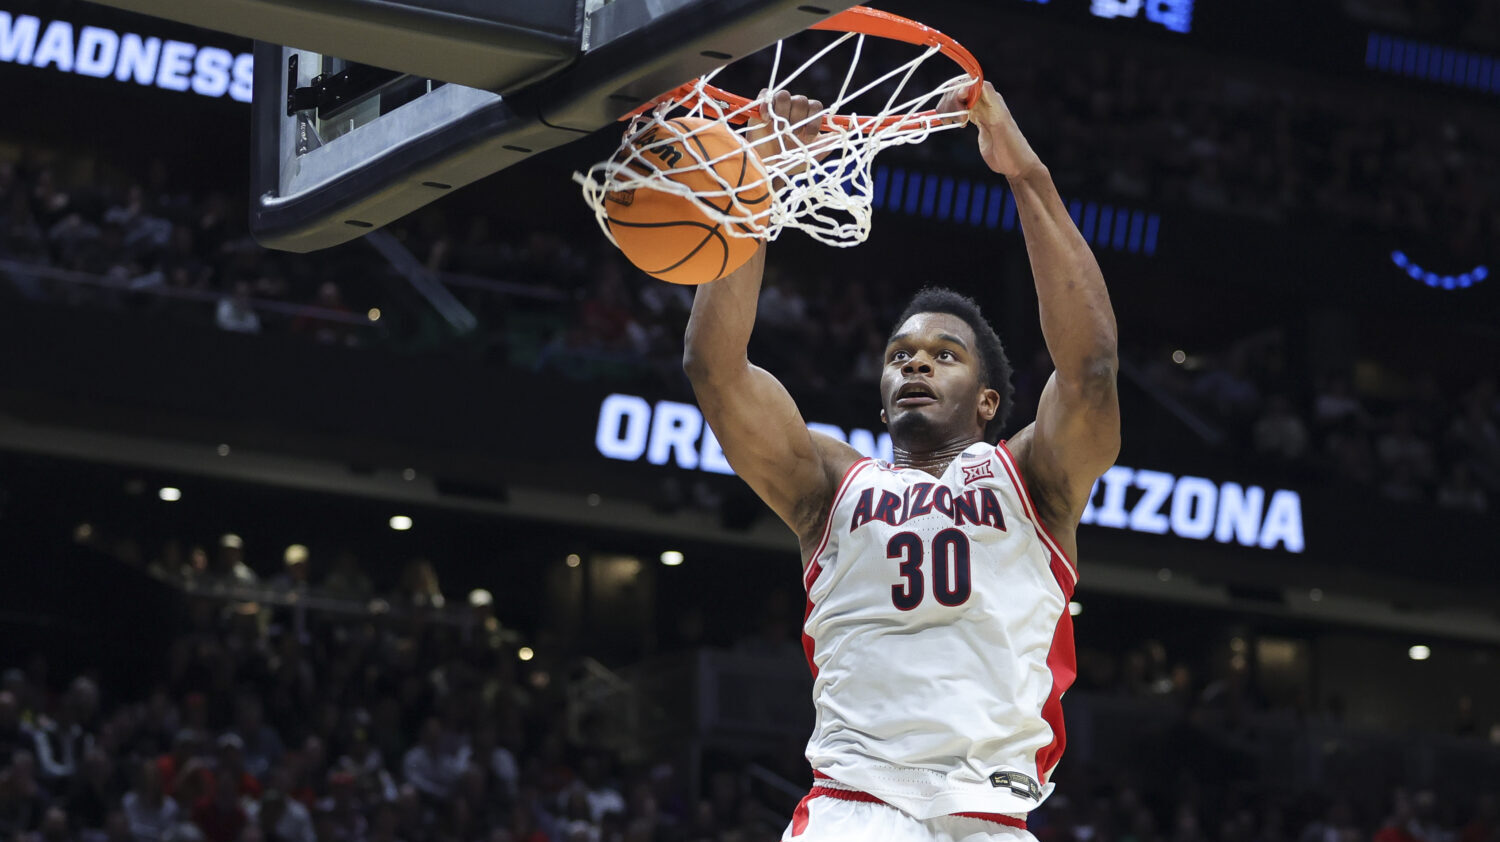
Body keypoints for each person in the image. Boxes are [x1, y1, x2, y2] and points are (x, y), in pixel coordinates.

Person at [680, 83, 1119, 841]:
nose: (915, 363)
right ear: (882, 403)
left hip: (993, 815)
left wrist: (1026, 174)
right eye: (899, 356)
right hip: (858, 805)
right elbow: (714, 370)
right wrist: (758, 183)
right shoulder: (831, 486)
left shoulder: (1033, 479)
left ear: (987, 401)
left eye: (944, 355)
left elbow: (1093, 369)